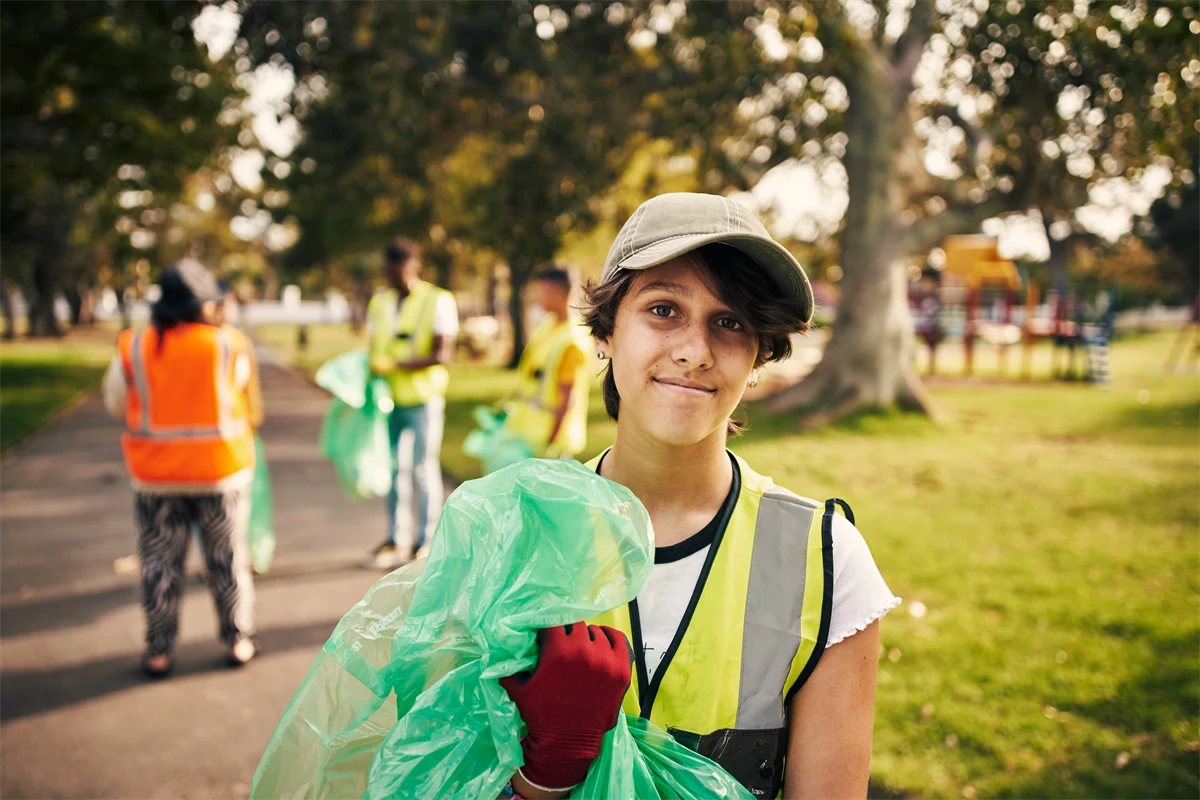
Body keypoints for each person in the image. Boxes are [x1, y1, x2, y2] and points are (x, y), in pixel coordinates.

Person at [496, 193, 899, 799]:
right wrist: (544, 773)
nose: (696, 350)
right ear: (605, 332)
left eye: (731, 322)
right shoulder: (517, 533)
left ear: (759, 355)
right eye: (663, 309)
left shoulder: (825, 560)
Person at [102, 259, 261, 677]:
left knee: (159, 564)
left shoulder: (134, 346)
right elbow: (241, 394)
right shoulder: (228, 343)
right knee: (226, 559)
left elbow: (115, 401)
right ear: (204, 304)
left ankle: (159, 651)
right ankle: (237, 639)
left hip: (155, 478)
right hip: (219, 473)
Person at [366, 238, 458, 568]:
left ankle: (427, 541)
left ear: (414, 267)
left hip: (423, 399)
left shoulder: (438, 300)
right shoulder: (380, 301)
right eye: (389, 272)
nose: (394, 278)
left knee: (422, 469)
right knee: (393, 469)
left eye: (400, 271)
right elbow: (373, 345)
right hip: (388, 401)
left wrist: (396, 366)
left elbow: (442, 354)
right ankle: (397, 537)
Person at [502, 266, 591, 460]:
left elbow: (567, 397)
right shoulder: (549, 325)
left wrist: (551, 441)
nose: (539, 298)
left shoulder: (572, 341)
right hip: (532, 434)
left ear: (557, 292)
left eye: (542, 292)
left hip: (551, 443)